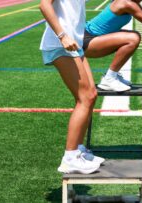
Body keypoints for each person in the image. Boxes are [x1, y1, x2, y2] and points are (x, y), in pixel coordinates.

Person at [39, 0, 104, 174]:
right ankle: (70, 158)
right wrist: (63, 36)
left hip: (75, 44)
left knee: (91, 95)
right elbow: (44, 4)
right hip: (61, 44)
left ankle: (79, 150)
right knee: (85, 98)